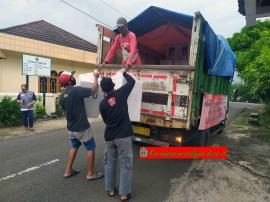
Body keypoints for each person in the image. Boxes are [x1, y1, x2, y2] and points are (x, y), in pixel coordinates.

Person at [59, 70, 104, 180]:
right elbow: (94, 90)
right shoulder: (76, 90)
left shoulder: (62, 95)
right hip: (82, 127)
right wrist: (96, 77)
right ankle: (90, 173)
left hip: (71, 127)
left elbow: (65, 109)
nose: (74, 78)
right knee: (91, 147)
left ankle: (68, 171)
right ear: (70, 80)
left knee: (74, 146)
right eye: (72, 77)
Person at [99, 69, 135, 201]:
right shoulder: (121, 93)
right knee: (125, 164)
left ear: (103, 90)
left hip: (109, 136)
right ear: (113, 86)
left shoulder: (102, 104)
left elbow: (105, 121)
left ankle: (111, 190)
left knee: (109, 163)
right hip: (123, 135)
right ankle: (124, 194)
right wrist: (124, 72)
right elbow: (132, 81)